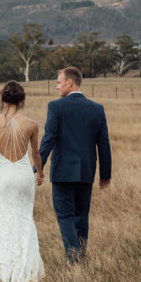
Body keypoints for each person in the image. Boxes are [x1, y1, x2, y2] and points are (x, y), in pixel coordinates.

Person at [38, 66, 112, 264]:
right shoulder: (96, 108)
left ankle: (74, 260)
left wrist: (37, 167)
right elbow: (103, 144)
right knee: (81, 216)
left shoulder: (56, 107)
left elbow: (48, 140)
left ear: (70, 83)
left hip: (62, 172)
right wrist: (105, 175)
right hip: (87, 172)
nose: (56, 86)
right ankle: (81, 256)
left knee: (65, 216)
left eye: (58, 82)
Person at [0, 81, 46, 282]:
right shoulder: (32, 124)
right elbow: (35, 154)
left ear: (3, 99)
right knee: (25, 219)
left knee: (7, 219)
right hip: (24, 173)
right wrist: (40, 172)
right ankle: (28, 275)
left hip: (5, 174)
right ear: (22, 100)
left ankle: (9, 278)